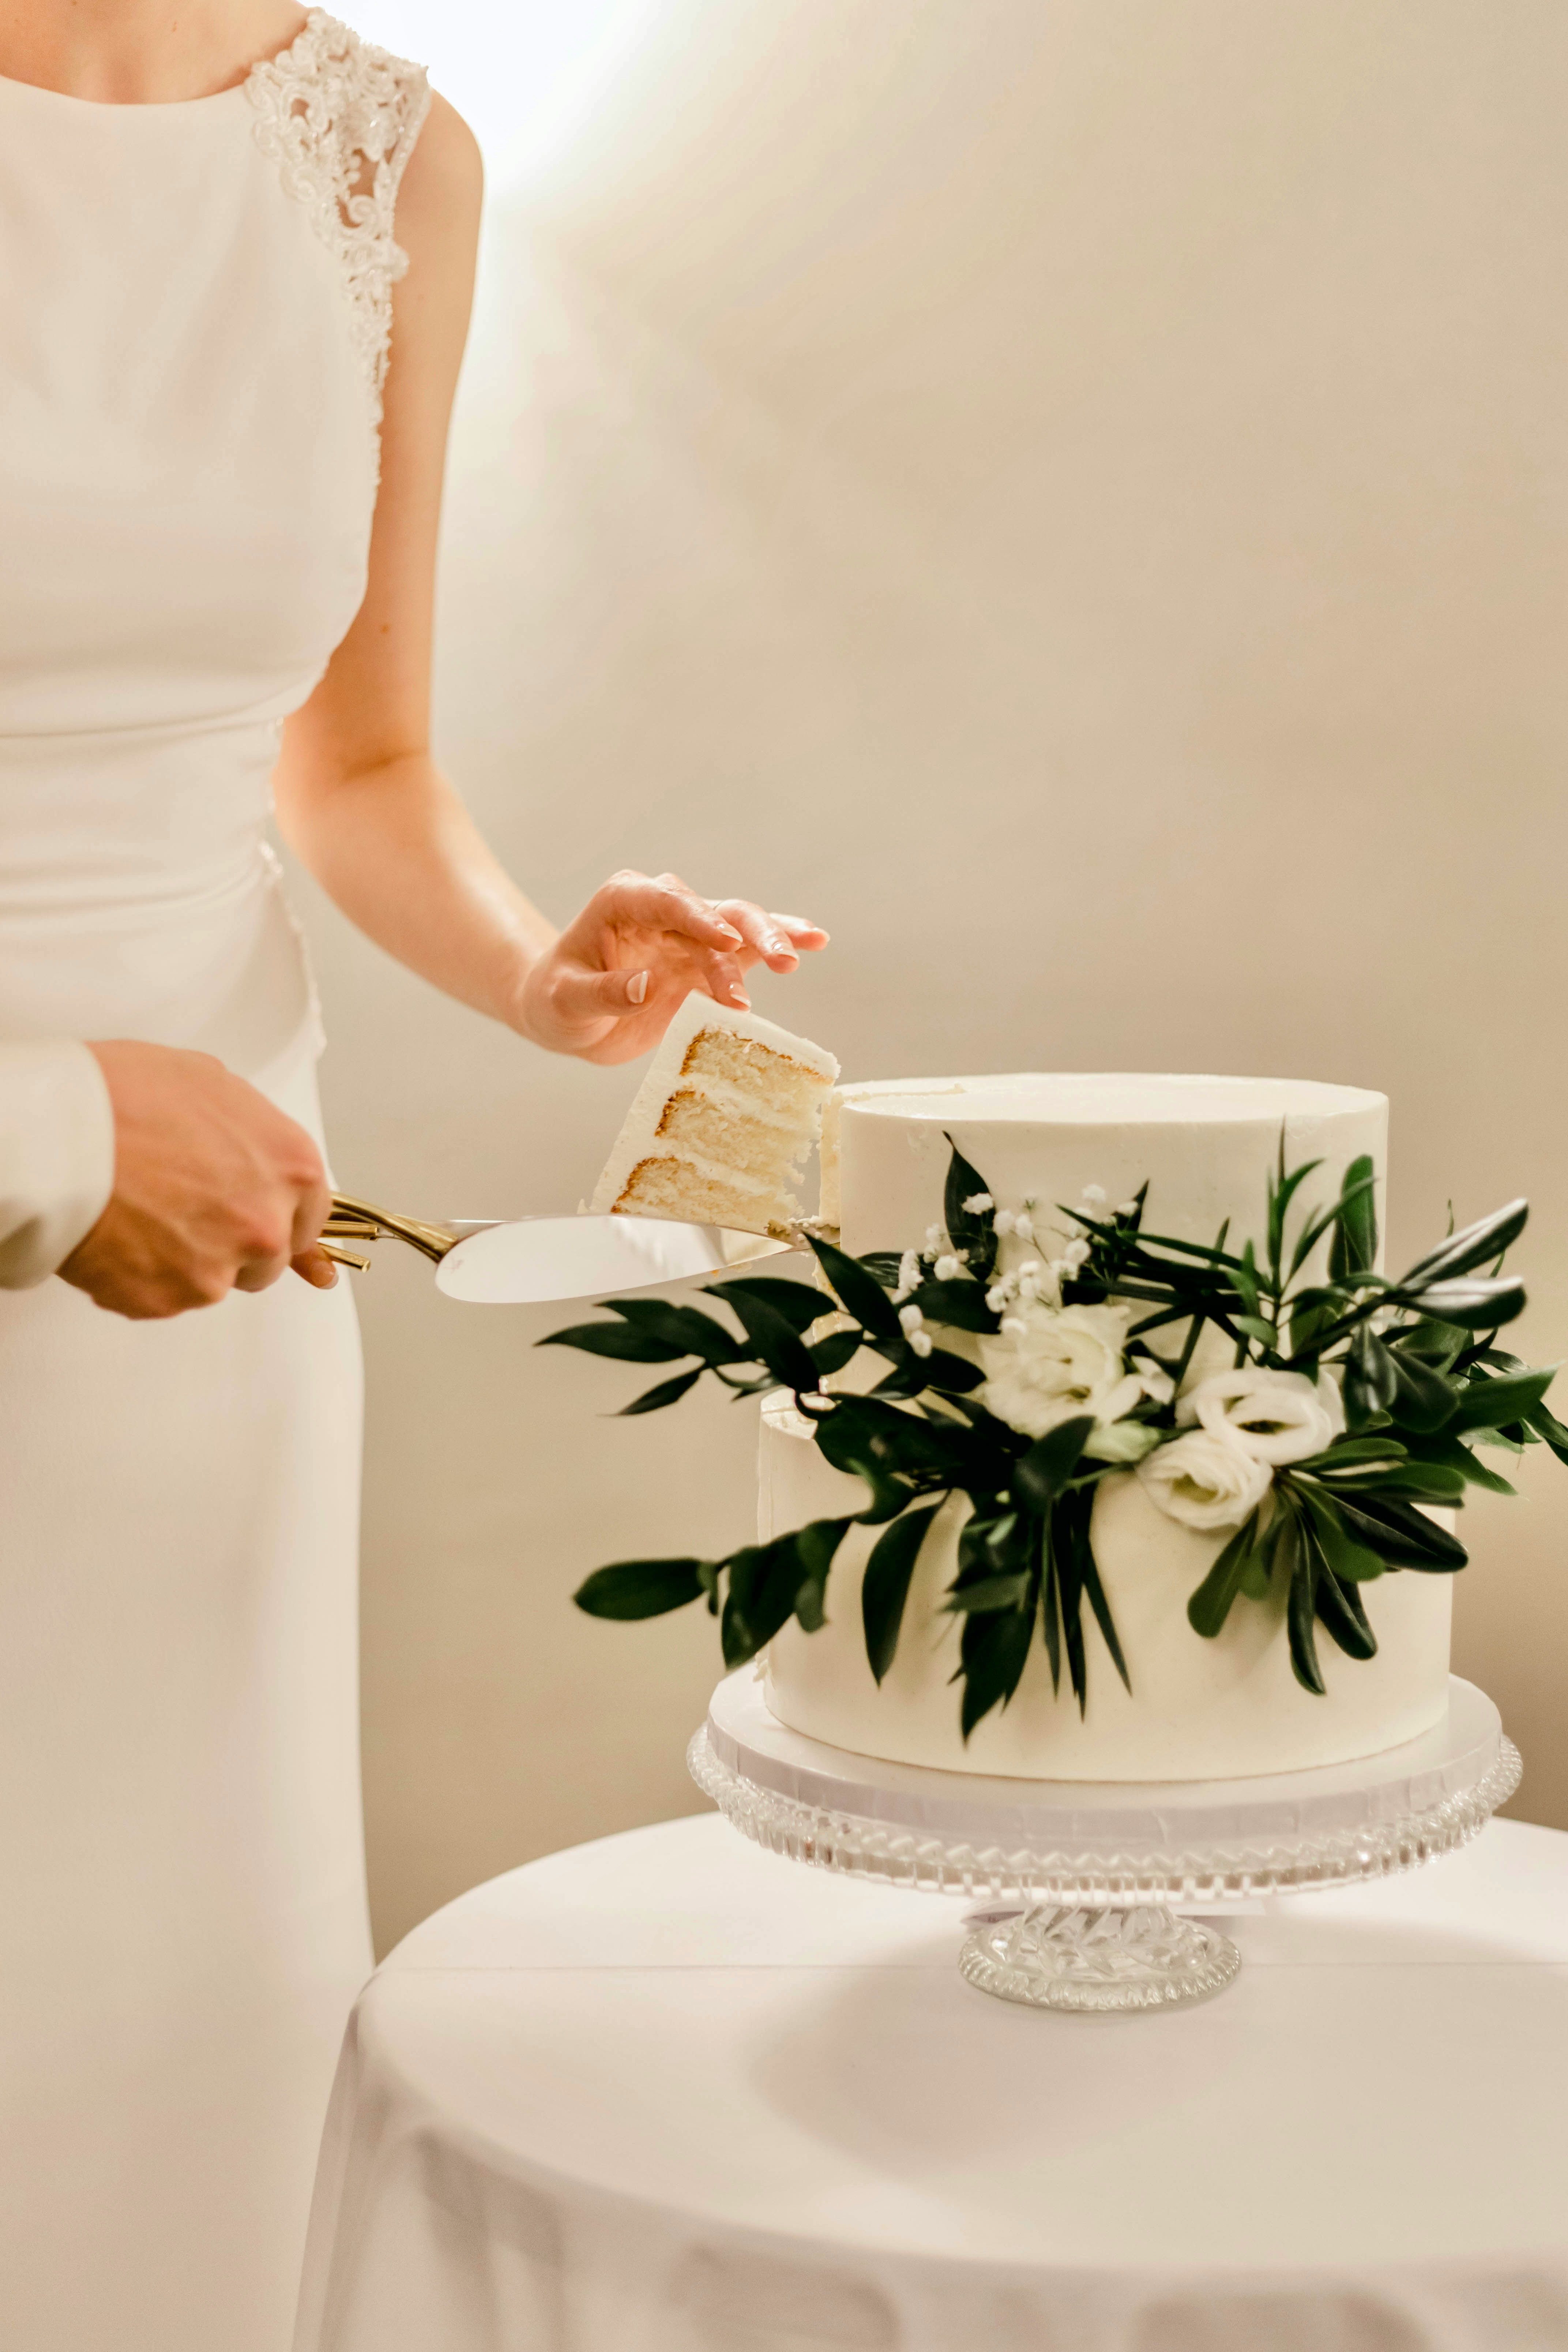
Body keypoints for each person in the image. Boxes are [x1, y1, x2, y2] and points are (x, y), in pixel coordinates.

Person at [0, 6, 827, 2346]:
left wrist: (538, 972)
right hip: (39, 1150)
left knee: (179, 2026)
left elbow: (357, 755)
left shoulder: (388, 157)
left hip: (208, 1303)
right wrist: (54, 1121)